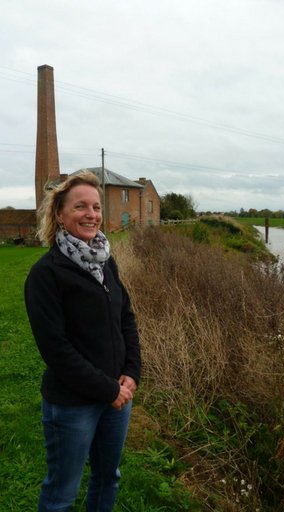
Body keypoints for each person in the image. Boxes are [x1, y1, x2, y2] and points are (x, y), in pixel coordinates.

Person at [24, 171, 141, 511]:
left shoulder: (106, 262)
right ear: (59, 213)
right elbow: (56, 350)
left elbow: (126, 319)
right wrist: (109, 390)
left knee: (109, 478)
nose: (92, 214)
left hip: (118, 397)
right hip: (73, 405)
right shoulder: (46, 275)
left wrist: (132, 372)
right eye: (81, 207)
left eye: (96, 206)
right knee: (62, 493)